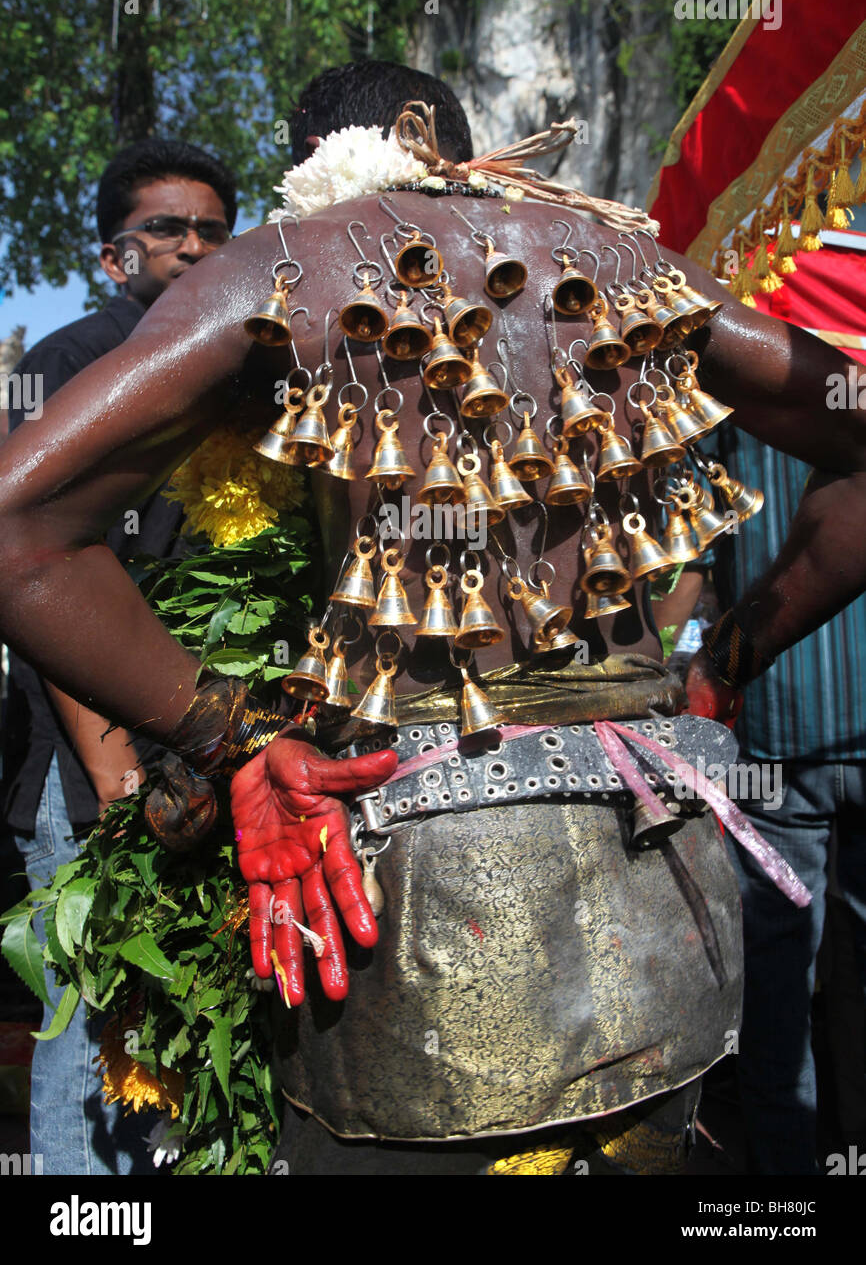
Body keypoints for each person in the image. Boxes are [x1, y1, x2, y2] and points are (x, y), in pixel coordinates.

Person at [0, 61, 864, 1175]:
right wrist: (725, 663)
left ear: (308, 167)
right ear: (469, 147)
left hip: (400, 890)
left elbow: (20, 531)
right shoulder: (623, 265)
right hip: (660, 885)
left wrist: (235, 733)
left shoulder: (292, 268)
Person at [0, 136, 236, 1174]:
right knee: (94, 1037)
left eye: (213, 232)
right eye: (166, 228)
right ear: (110, 256)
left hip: (203, 747)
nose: (192, 247)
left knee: (179, 1035)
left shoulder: (226, 371)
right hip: (98, 762)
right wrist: (107, 759)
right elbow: (42, 566)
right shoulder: (70, 360)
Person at [711, 425, 866, 1174]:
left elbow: (686, 559)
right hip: (786, 732)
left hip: (773, 725)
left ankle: (786, 1188)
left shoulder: (733, 404)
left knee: (774, 981)